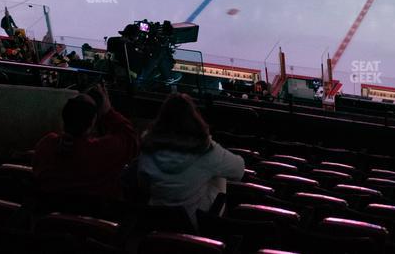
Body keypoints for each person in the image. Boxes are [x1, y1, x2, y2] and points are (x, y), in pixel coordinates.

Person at [137, 94, 245, 225]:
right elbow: (239, 170)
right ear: (194, 118)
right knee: (219, 174)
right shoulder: (205, 150)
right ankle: (216, 227)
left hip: (158, 219)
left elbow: (143, 185)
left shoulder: (147, 147)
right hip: (195, 222)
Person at [33, 84, 139, 199]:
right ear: (93, 121)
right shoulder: (102, 152)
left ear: (64, 117)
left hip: (50, 212)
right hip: (96, 215)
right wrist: (109, 112)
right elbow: (130, 139)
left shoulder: (46, 144)